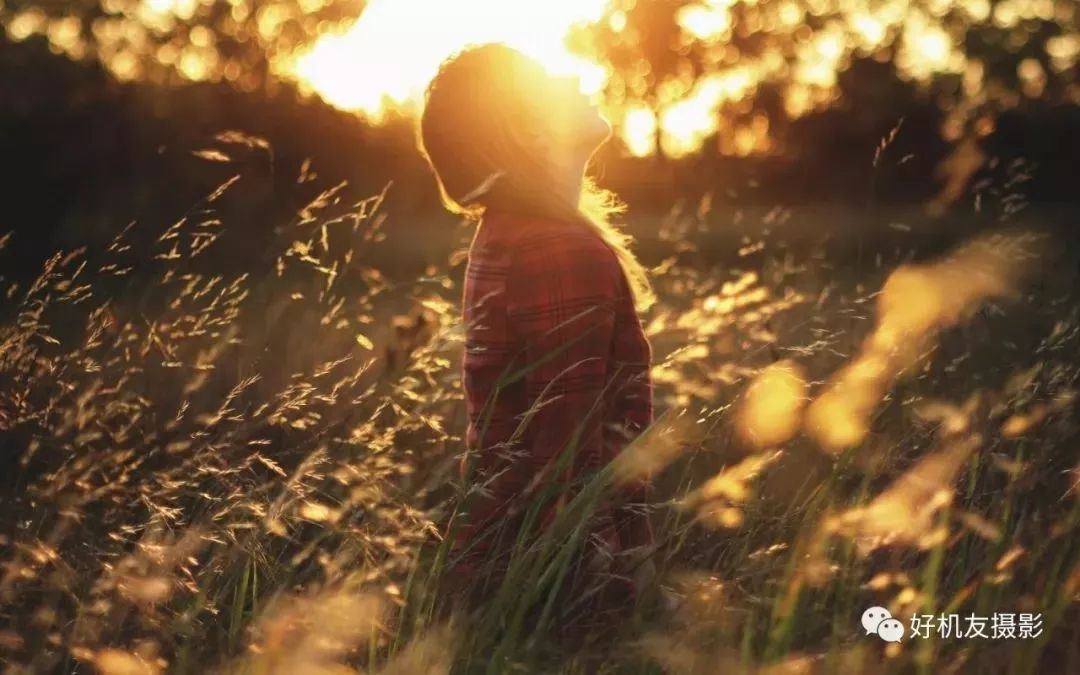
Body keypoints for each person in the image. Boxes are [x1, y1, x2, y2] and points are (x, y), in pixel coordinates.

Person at [418, 43, 657, 610]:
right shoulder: (558, 250)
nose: (571, 78)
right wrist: (620, 600)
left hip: (501, 563)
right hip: (551, 589)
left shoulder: (507, 231)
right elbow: (568, 466)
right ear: (527, 128)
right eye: (546, 81)